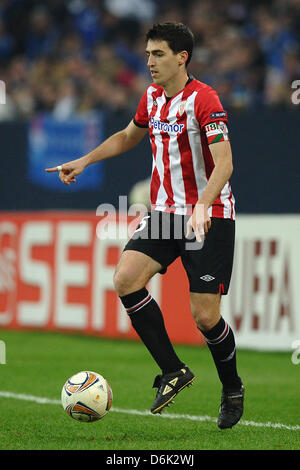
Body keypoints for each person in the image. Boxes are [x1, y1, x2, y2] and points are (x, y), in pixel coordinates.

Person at [46, 22, 244, 429]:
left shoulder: (204, 99)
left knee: (205, 317)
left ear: (181, 57)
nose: (149, 61)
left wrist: (203, 205)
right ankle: (173, 370)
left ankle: (232, 388)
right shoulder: (152, 97)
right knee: (125, 279)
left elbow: (224, 162)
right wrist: (84, 160)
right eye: (148, 54)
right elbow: (125, 137)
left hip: (210, 216)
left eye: (158, 54)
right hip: (165, 215)